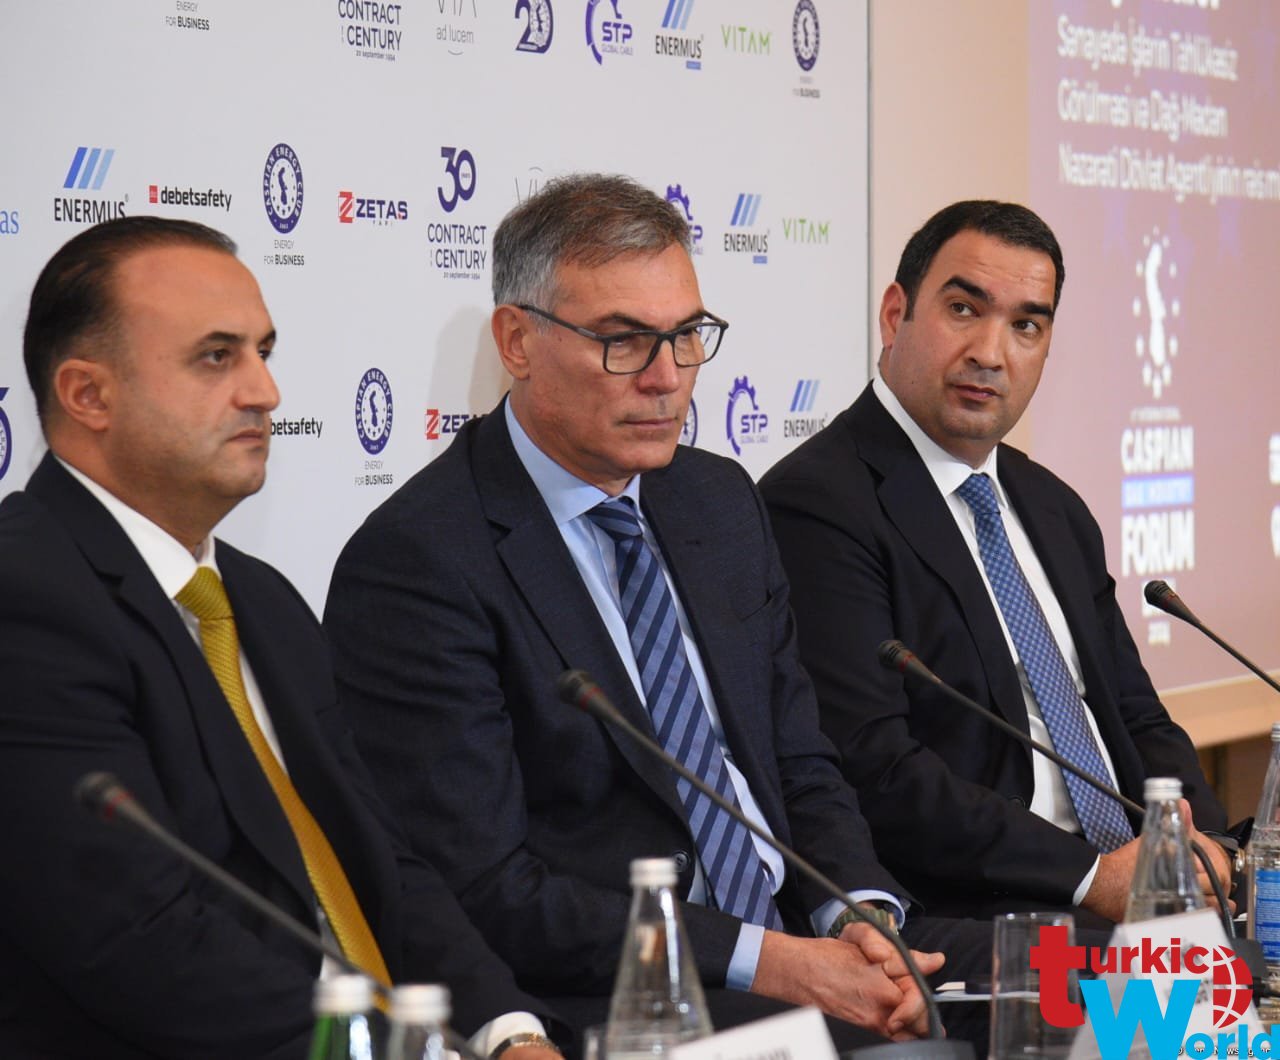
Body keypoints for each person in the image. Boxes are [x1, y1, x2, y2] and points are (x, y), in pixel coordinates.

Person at [324, 174, 990, 1055]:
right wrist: (775, 962)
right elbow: (486, 888)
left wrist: (861, 918)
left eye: (685, 336)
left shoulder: (718, 500)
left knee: (1093, 986)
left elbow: (800, 764)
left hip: (802, 938)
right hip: (625, 992)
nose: (668, 378)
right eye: (623, 342)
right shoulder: (421, 561)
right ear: (517, 341)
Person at [0, 217, 561, 1059]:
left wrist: (507, 1032)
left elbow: (385, 865)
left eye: (263, 352)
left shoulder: (261, 599)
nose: (265, 391)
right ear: (88, 395)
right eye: (215, 357)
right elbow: (142, 941)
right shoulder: (25, 600)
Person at [758, 200, 1239, 927]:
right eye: (963, 309)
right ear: (895, 315)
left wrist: (1199, 846)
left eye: (1025, 326)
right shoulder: (818, 503)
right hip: (990, 913)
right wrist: (1090, 879)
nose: (990, 352)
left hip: (1135, 892)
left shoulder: (1051, 505)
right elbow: (875, 766)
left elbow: (1136, 715)